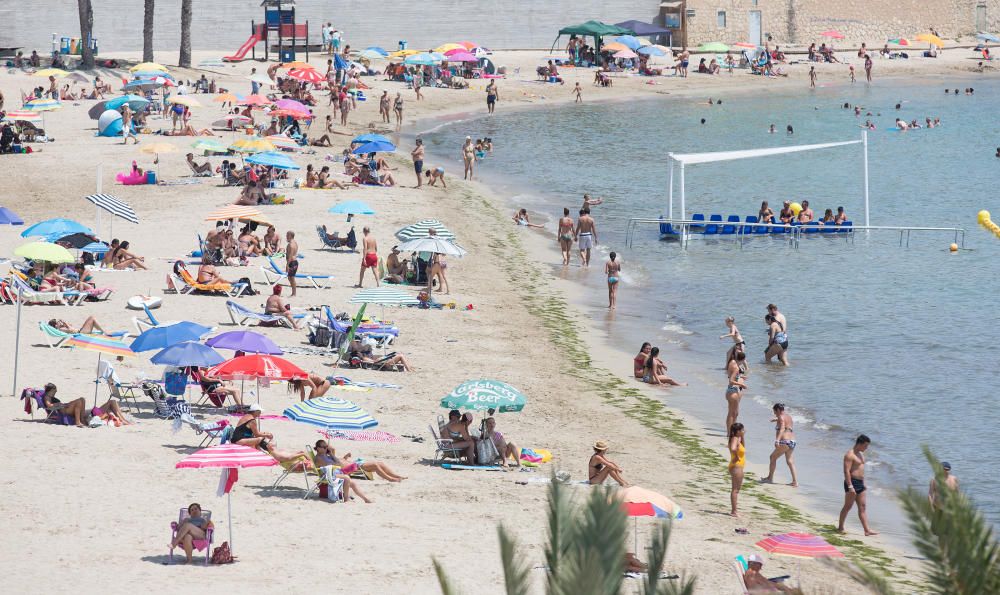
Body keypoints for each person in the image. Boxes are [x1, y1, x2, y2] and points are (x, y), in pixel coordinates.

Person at [838, 434, 878, 535]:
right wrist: (850, 486)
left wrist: (864, 483)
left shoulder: (861, 454)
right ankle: (840, 527)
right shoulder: (849, 455)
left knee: (863, 507)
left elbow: (861, 470)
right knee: (848, 506)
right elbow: (846, 471)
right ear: (859, 444)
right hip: (852, 482)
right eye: (865, 446)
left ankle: (866, 530)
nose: (866, 448)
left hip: (860, 483)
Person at [41, 383, 130, 427]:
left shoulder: (49, 396)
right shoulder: (47, 397)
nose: (56, 392)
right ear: (50, 391)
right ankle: (79, 421)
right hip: (65, 411)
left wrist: (62, 404)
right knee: (81, 400)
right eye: (54, 390)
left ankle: (123, 420)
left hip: (88, 412)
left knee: (113, 401)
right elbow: (49, 406)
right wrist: (58, 404)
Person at [314, 439, 406, 481]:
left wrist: (344, 457)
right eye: (324, 447)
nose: (327, 448)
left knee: (380, 463)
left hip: (351, 464)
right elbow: (336, 465)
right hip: (348, 469)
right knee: (375, 465)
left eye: (326, 447)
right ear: (318, 448)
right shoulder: (319, 458)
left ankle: (396, 475)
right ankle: (391, 479)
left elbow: (335, 456)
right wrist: (331, 454)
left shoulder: (325, 454)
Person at [762, 403, 798, 487]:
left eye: (774, 411)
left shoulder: (781, 418)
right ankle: (795, 482)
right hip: (792, 441)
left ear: (778, 410)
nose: (774, 413)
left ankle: (770, 478)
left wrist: (777, 440)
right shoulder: (788, 417)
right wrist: (775, 420)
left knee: (772, 457)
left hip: (784, 441)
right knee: (790, 461)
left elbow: (782, 428)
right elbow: (785, 423)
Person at [725, 351, 748, 430]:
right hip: (733, 391)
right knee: (732, 413)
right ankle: (730, 432)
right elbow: (731, 380)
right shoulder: (736, 368)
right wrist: (742, 384)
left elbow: (732, 376)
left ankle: (731, 431)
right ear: (744, 359)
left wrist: (740, 376)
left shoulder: (732, 362)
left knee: (734, 413)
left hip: (730, 390)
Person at [728, 423, 746, 516]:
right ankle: (734, 511)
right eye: (742, 430)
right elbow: (733, 448)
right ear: (738, 431)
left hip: (738, 466)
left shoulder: (737, 438)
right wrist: (736, 457)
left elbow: (743, 447)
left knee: (737, 489)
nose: (744, 431)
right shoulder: (735, 438)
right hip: (736, 466)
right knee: (735, 489)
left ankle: (734, 510)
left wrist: (742, 437)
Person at [285, 230, 298, 297]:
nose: (286, 236)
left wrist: (287, 265)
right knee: (290, 278)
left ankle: (294, 293)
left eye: (287, 235)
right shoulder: (294, 242)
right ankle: (293, 292)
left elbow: (290, 255)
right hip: (293, 262)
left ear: (290, 235)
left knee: (291, 278)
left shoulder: (291, 244)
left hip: (292, 262)